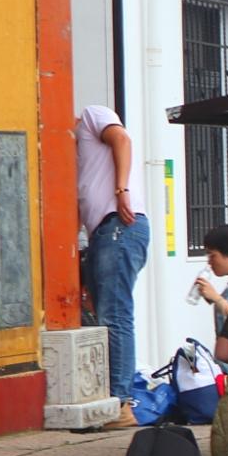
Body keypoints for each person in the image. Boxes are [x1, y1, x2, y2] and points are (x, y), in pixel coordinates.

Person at [76, 105, 149, 427]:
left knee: (115, 314)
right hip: (103, 233)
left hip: (119, 224)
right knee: (105, 314)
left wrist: (122, 191)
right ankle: (113, 398)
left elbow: (121, 138)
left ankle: (121, 403)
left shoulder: (91, 115)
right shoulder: (76, 150)